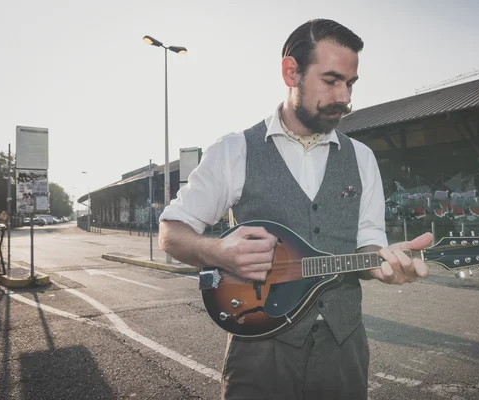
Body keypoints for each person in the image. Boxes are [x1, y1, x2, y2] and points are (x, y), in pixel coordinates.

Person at [159, 18, 433, 400]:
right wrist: (218, 251)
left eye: (350, 83)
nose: (345, 97)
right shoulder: (235, 150)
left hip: (343, 347)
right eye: (331, 80)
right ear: (292, 72)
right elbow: (172, 232)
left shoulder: (363, 158)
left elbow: (369, 245)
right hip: (259, 346)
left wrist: (387, 264)